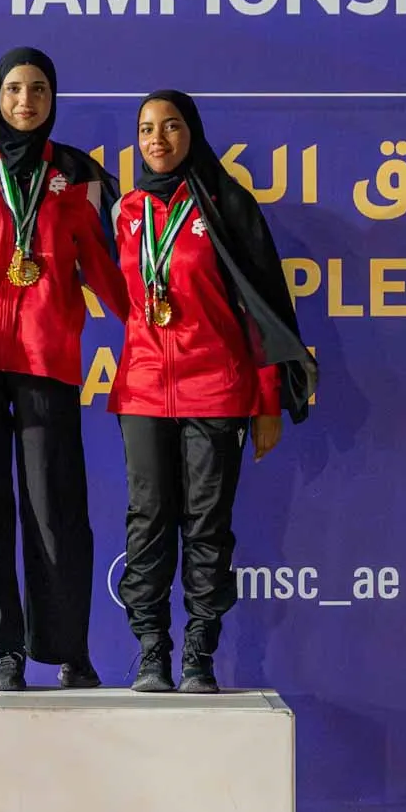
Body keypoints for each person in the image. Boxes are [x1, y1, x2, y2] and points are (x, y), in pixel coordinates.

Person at [0, 46, 129, 691]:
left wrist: (152, 328)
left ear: (53, 99)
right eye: (15, 89)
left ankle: (70, 648)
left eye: (39, 90)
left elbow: (107, 265)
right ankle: (3, 647)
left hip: (48, 358)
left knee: (56, 506)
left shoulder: (76, 173)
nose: (26, 101)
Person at [108, 91, 317, 693]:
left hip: (217, 389)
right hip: (145, 389)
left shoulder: (228, 204)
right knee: (147, 523)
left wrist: (267, 400)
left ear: (191, 132)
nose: (157, 139)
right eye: (146, 129)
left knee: (206, 525)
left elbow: (263, 311)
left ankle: (199, 652)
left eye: (170, 126)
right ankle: (151, 651)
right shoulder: (127, 211)